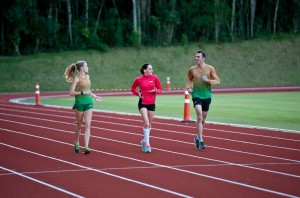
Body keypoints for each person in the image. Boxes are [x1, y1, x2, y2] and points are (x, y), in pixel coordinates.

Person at [64, 60, 102, 154]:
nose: (88, 67)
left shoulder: (88, 76)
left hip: (89, 102)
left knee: (88, 125)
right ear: (82, 68)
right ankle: (76, 142)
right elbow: (71, 93)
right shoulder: (76, 79)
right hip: (79, 103)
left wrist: (94, 96)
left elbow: (88, 90)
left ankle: (86, 147)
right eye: (86, 66)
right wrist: (82, 93)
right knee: (79, 125)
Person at [185, 50, 220, 150]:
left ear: (203, 58)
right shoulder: (192, 69)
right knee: (199, 115)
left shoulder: (210, 68)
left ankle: (197, 137)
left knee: (202, 119)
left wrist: (208, 80)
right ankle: (200, 140)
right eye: (195, 57)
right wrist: (189, 88)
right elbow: (189, 80)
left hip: (207, 96)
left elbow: (218, 81)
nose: (196, 58)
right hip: (196, 95)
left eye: (198, 57)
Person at [131, 64, 163, 153]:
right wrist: (138, 94)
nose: (152, 70)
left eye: (152, 69)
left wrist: (155, 91)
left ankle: (144, 141)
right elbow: (133, 88)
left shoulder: (155, 78)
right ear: (145, 70)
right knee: (146, 122)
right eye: (150, 69)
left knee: (149, 125)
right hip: (142, 103)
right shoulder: (138, 79)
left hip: (152, 103)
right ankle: (147, 144)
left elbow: (160, 89)